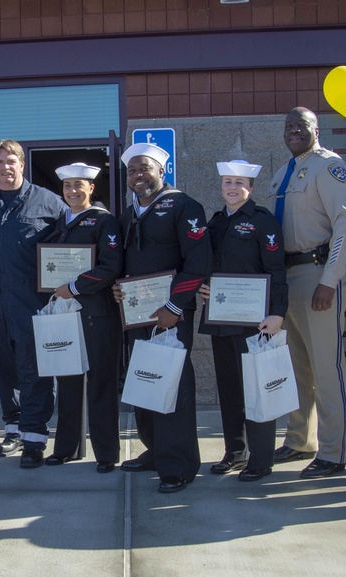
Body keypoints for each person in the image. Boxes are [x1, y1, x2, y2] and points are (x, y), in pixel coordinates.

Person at [264, 107, 346, 479]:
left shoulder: (329, 167)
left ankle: (334, 452)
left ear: (316, 129)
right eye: (287, 126)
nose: (293, 131)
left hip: (318, 273)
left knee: (326, 365)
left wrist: (330, 279)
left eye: (300, 126)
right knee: (296, 366)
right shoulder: (281, 173)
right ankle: (301, 439)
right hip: (288, 278)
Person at [0, 139, 67, 468]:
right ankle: (13, 427)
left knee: (33, 367)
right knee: (2, 364)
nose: (5, 167)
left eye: (12, 161)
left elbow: (74, 240)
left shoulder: (49, 203)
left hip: (31, 299)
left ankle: (34, 436)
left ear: (22, 164)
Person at [116, 143, 212, 493]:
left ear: (161, 171)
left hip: (171, 315)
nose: (138, 175)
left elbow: (198, 261)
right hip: (137, 314)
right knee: (144, 383)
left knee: (173, 387)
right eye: (132, 170)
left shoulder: (184, 206)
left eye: (145, 168)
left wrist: (174, 307)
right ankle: (154, 451)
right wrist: (118, 289)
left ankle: (179, 466)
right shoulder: (128, 215)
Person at [198, 160, 287, 482]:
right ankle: (235, 452)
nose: (232, 188)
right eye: (227, 182)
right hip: (222, 319)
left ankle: (261, 458)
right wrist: (202, 284)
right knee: (230, 389)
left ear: (250, 187)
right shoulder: (217, 221)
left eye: (239, 182)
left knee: (257, 390)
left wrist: (278, 312)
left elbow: (277, 269)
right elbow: (205, 262)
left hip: (255, 322)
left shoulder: (263, 222)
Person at [41, 163, 123, 474]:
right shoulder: (60, 222)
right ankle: (66, 447)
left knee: (101, 384)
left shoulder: (104, 222)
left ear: (91, 188)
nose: (73, 191)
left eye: (79, 185)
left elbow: (110, 265)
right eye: (67, 186)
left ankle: (106, 453)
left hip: (97, 315)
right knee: (68, 381)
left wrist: (73, 287)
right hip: (65, 313)